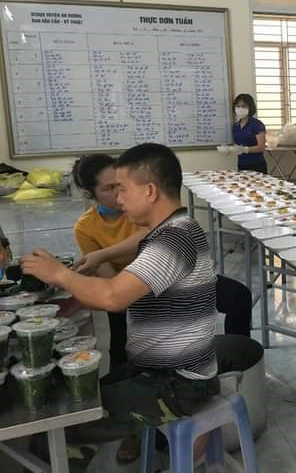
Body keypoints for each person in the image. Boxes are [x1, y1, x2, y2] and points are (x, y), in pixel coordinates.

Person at [21, 143, 219, 457]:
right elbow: (116, 286)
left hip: (179, 384)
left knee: (55, 425)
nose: (119, 198)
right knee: (69, 396)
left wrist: (59, 274)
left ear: (150, 191)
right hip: (155, 371)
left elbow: (113, 297)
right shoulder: (170, 229)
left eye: (123, 189)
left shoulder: (174, 238)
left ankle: (66, 454)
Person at [71, 154, 145, 370]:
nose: (119, 192)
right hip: (126, 292)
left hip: (158, 283)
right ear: (90, 194)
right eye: (109, 188)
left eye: (121, 184)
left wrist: (101, 255)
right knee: (121, 345)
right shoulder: (86, 227)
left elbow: (150, 233)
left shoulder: (140, 205)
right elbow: (111, 280)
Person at [228, 93, 267, 173]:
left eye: (243, 106)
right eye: (238, 106)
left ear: (250, 107)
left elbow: (261, 147)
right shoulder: (235, 126)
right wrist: (229, 149)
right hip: (241, 164)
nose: (240, 108)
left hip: (257, 164)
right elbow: (238, 145)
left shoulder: (257, 124)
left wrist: (245, 149)